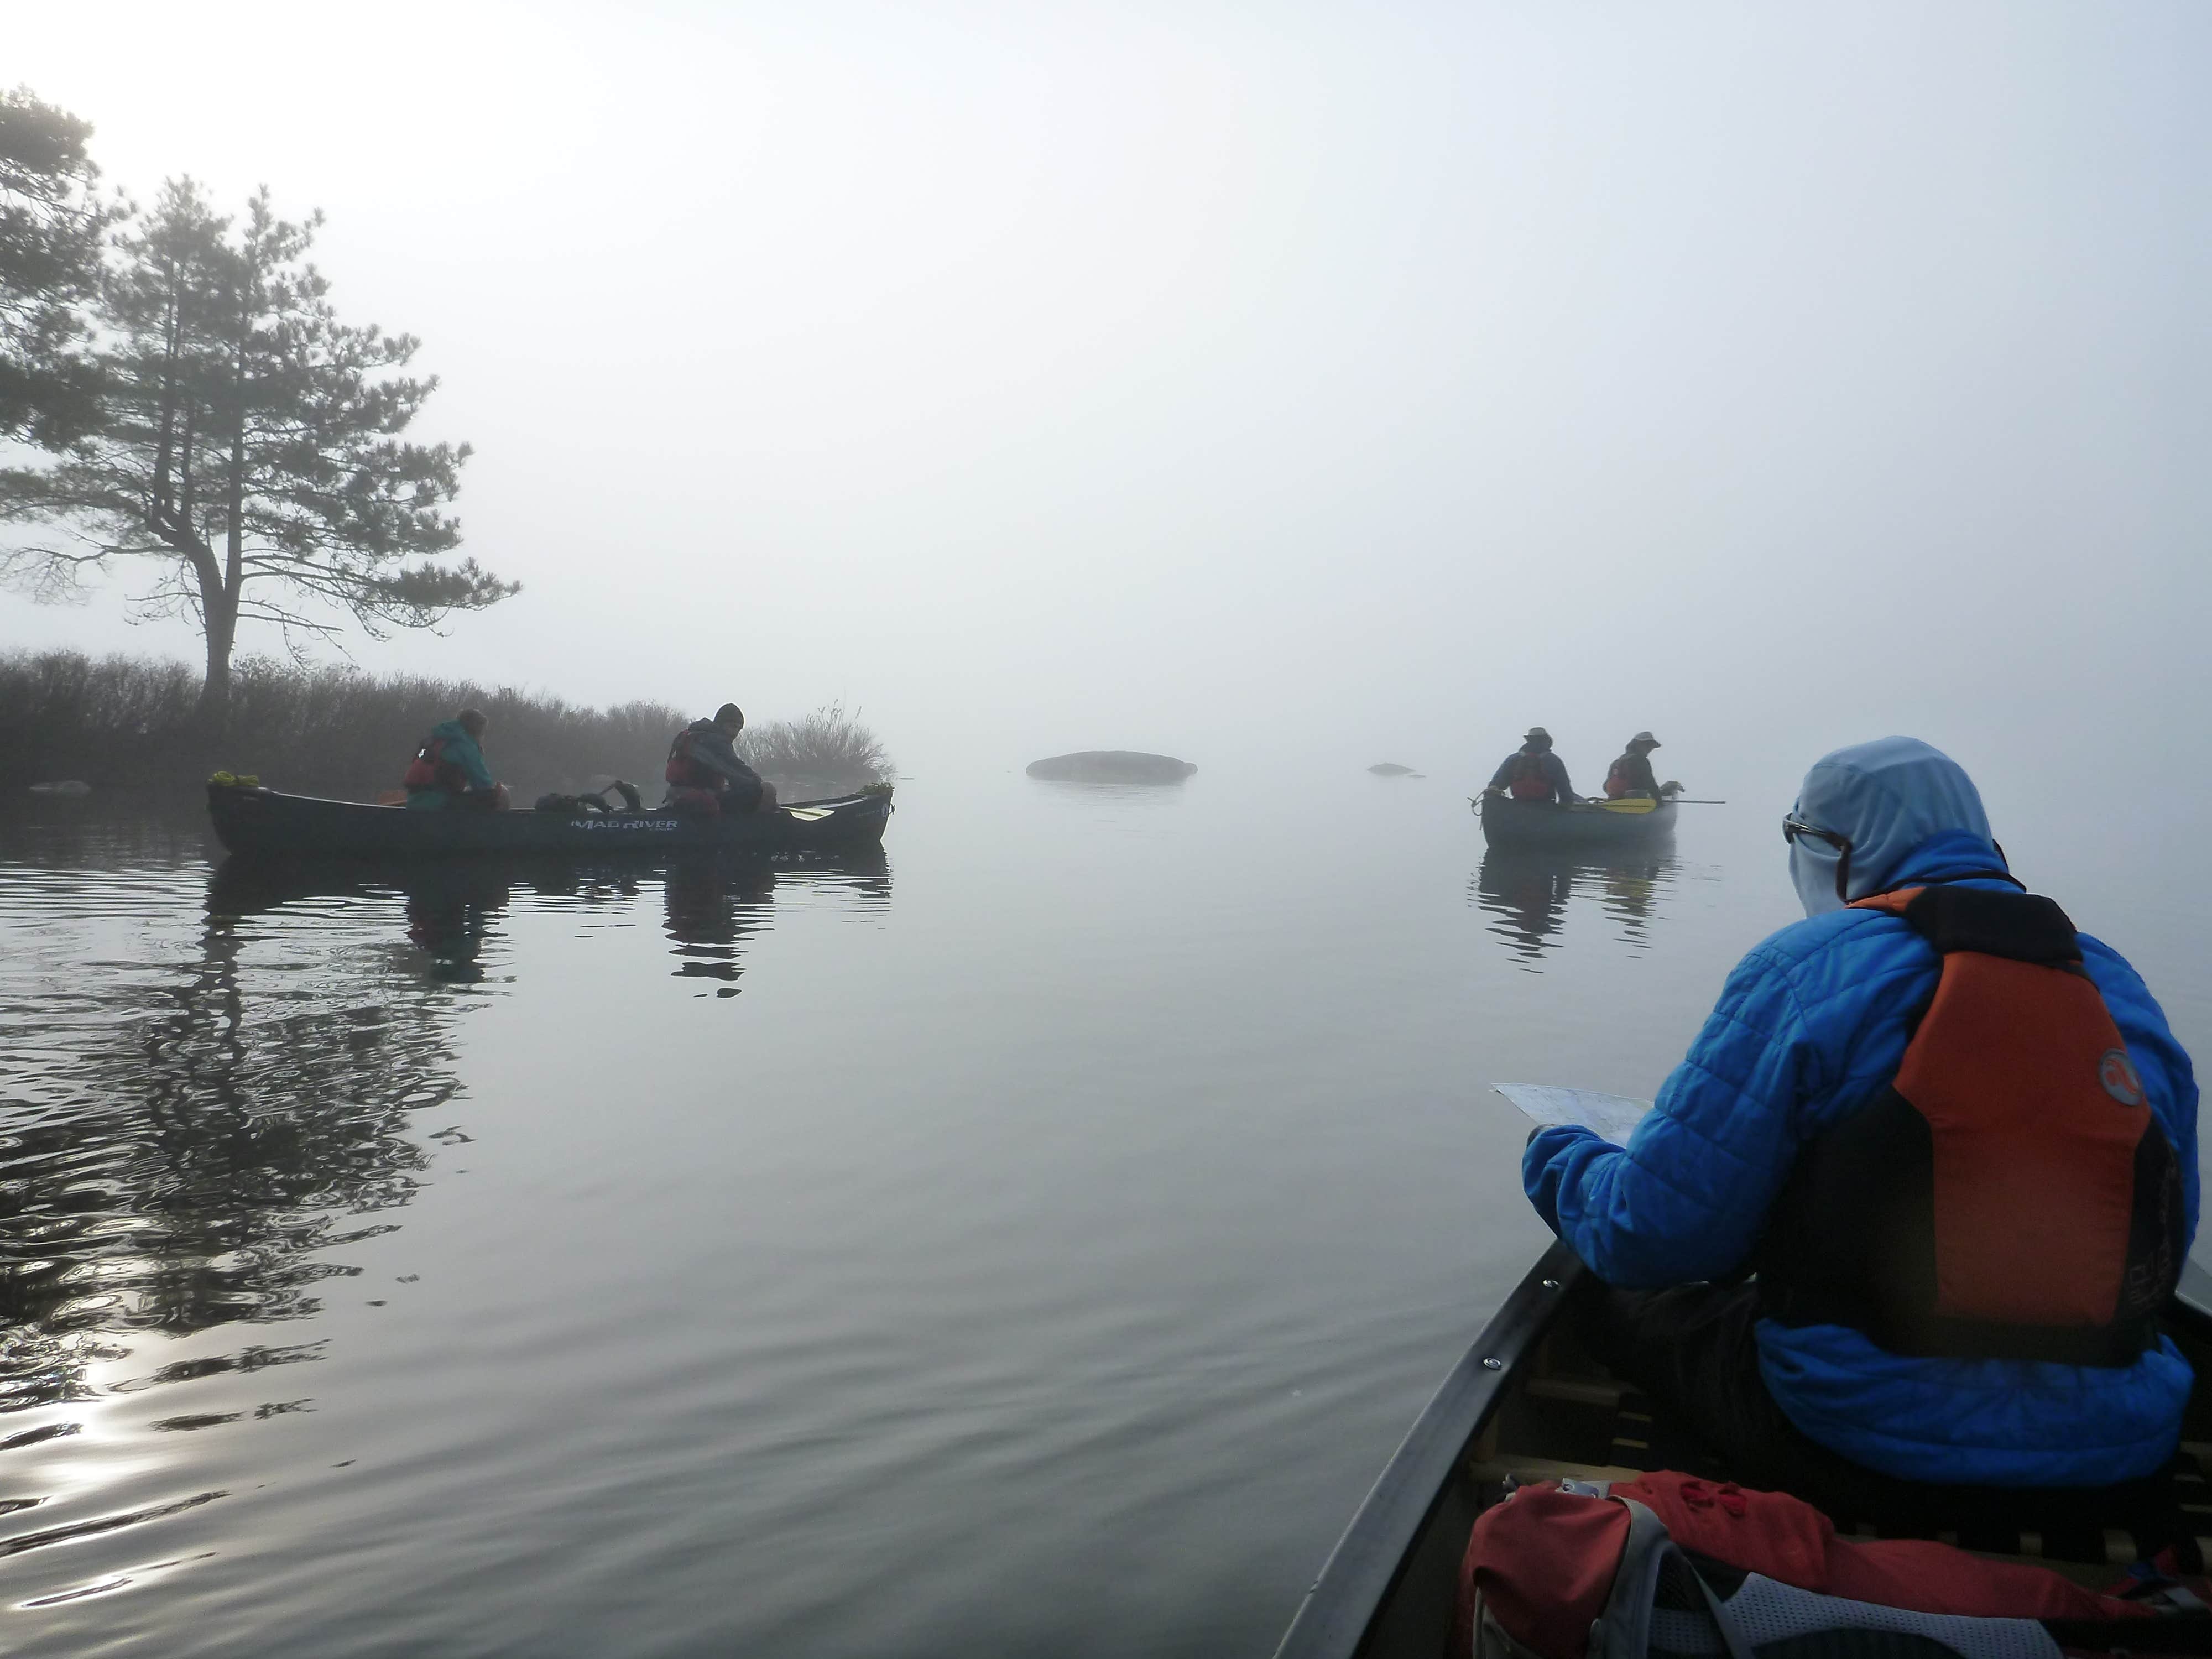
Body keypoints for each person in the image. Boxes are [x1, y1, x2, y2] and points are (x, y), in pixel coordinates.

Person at [1522, 737, 2197, 1510]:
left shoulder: (1804, 968)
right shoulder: (2116, 985)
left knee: (1608, 1293)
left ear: (1835, 847)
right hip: (2120, 1451)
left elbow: (1652, 1238)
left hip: (1850, 1438)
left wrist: (1558, 1153)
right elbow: (2168, 1247)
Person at [665, 703, 779, 817]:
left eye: (738, 729)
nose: (735, 733)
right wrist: (760, 785)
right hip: (697, 799)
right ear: (720, 724)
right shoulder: (714, 741)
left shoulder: (696, 735)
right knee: (767, 789)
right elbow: (737, 771)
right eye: (733, 727)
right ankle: (760, 824)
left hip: (678, 796)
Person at [402, 708, 509, 811]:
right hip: (438, 805)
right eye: (483, 733)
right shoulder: (465, 745)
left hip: (414, 803)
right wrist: (498, 793)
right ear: (477, 731)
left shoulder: (436, 740)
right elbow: (483, 785)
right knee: (500, 796)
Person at [1486, 726, 1577, 804]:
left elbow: (1496, 785)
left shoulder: (1513, 759)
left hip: (1517, 807)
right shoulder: (1553, 760)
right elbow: (1565, 790)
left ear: (1529, 741)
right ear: (1546, 741)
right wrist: (1565, 805)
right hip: (1546, 807)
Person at [1601, 731, 1678, 800]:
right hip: (1637, 802)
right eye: (1647, 745)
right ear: (1637, 745)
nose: (1650, 749)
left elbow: (1605, 787)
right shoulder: (1641, 760)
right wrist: (1659, 801)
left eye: (1651, 746)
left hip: (1615, 801)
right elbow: (1650, 783)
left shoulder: (1617, 762)